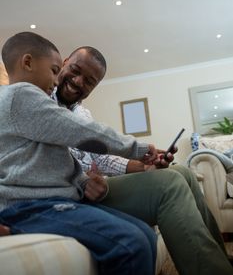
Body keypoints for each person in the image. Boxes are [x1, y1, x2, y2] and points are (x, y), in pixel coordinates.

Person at [0, 35, 232, 274]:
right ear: (65, 63)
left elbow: (87, 158)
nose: (78, 82)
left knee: (181, 172)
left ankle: (217, 262)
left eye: (89, 82)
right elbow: (82, 134)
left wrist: (144, 164)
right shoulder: (29, 95)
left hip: (79, 190)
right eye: (68, 70)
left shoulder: (80, 112)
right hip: (47, 202)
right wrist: (139, 149)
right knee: (162, 196)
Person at [0, 31, 159, 275]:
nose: (55, 82)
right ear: (28, 62)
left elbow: (55, 161)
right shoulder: (20, 95)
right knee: (131, 244)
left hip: (55, 202)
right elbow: (79, 131)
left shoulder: (32, 111)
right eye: (54, 70)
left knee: (145, 233)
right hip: (30, 207)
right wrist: (137, 148)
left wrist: (83, 181)